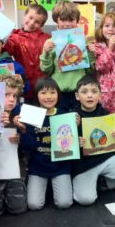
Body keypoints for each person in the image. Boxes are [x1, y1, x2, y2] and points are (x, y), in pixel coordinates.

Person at [72, 75, 115, 206]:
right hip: (84, 165)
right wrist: (75, 142)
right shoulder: (72, 116)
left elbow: (112, 142)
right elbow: (65, 146)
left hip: (105, 158)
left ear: (100, 95)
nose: (90, 96)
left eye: (94, 92)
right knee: (86, 200)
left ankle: (102, 184)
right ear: (77, 96)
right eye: (85, 92)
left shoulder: (106, 114)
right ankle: (87, 183)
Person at [18, 78, 73, 210]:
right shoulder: (31, 115)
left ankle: (54, 186)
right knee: (34, 205)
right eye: (43, 93)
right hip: (38, 167)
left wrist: (75, 127)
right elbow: (27, 147)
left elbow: (70, 146)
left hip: (60, 166)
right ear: (36, 95)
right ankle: (45, 187)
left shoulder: (64, 116)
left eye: (52, 92)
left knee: (64, 203)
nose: (48, 97)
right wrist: (24, 130)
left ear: (58, 95)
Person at [40, 1, 95, 112]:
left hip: (80, 92)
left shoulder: (82, 40)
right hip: (60, 93)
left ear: (77, 21)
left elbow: (90, 70)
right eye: (63, 20)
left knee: (80, 123)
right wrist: (46, 53)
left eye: (71, 20)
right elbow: (46, 70)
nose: (67, 24)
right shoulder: (50, 42)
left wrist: (91, 54)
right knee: (62, 124)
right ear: (56, 20)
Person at [0, 75, 28, 215]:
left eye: (14, 96)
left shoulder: (17, 120)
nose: (11, 99)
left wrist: (21, 135)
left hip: (13, 171)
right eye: (6, 94)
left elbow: (27, 150)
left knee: (19, 208)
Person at [3, 4, 50, 102]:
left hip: (43, 87)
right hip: (24, 85)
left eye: (37, 22)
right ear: (24, 16)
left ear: (41, 25)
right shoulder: (14, 37)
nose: (32, 23)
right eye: (30, 18)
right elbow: (6, 49)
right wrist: (3, 36)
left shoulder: (47, 38)